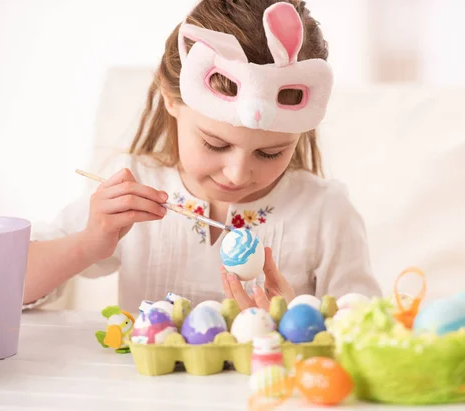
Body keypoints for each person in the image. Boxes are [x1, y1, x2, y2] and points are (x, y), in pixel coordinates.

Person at [23, 0, 382, 312]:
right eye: (216, 144)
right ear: (171, 98)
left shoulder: (325, 212)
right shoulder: (133, 185)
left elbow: (365, 331)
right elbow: (13, 290)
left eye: (271, 152)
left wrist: (294, 323)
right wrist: (87, 243)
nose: (238, 174)